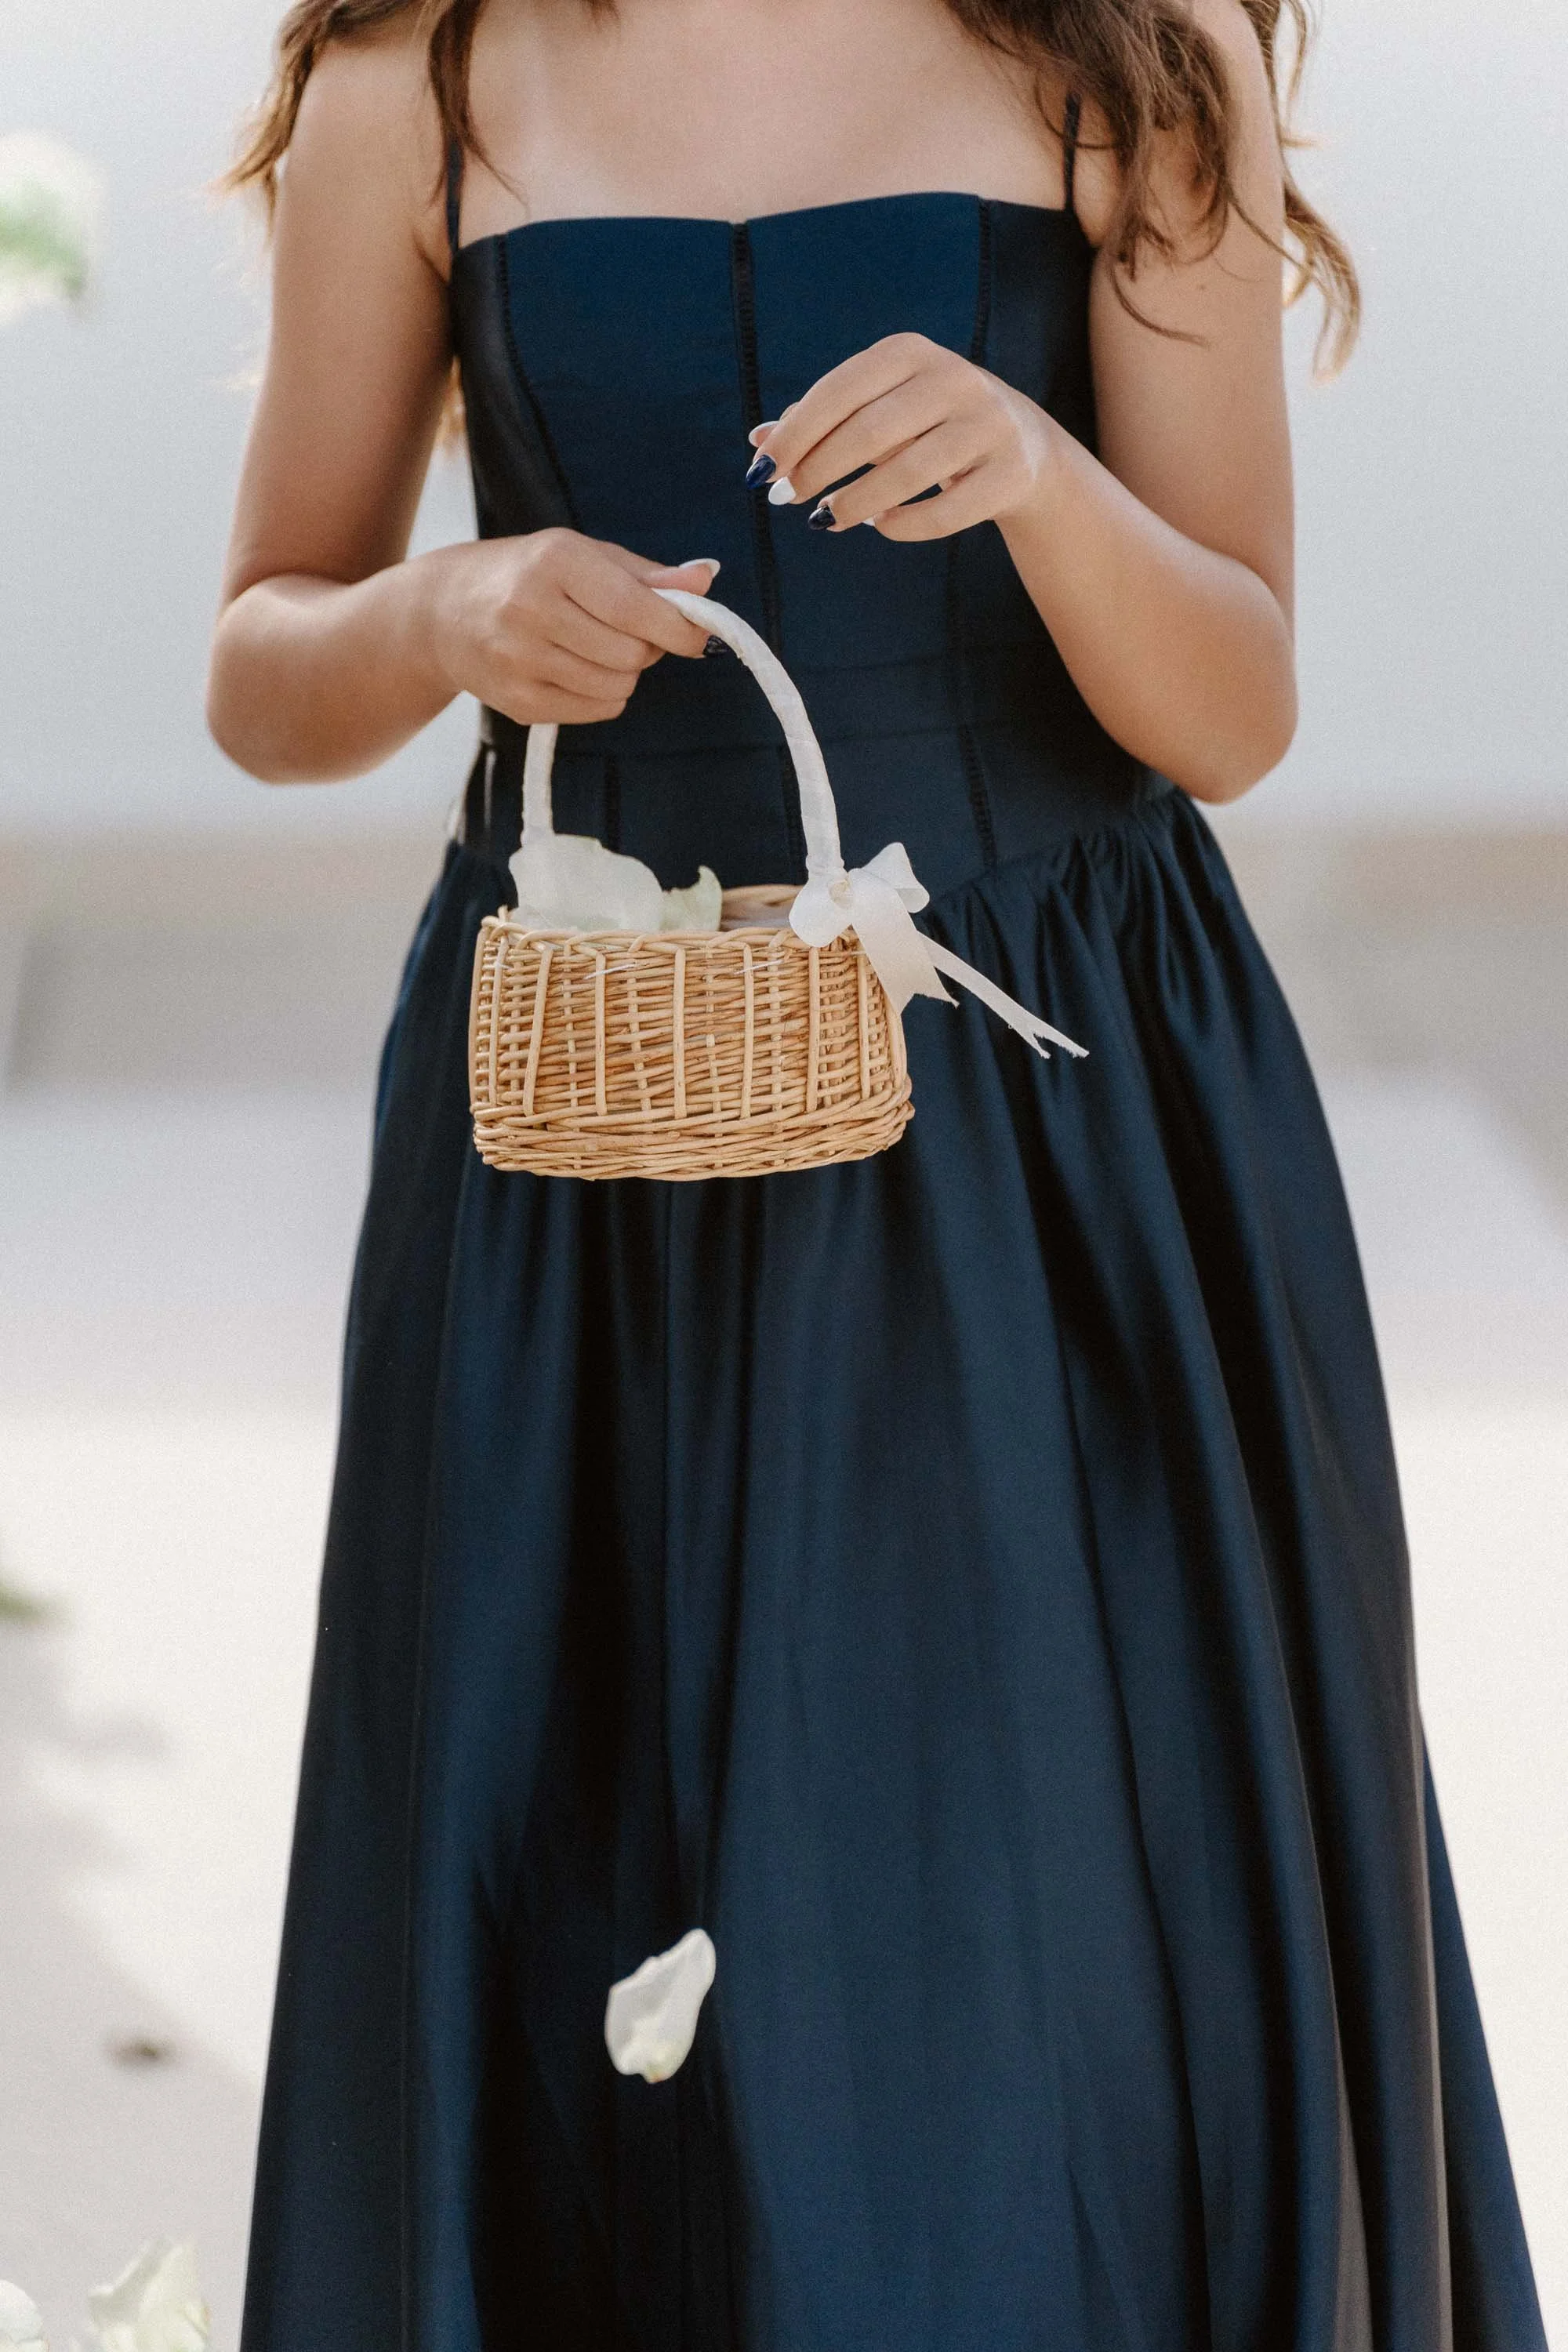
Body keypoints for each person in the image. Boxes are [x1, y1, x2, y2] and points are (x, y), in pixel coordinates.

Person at [209, 2, 1547, 2344]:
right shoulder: (412, 78)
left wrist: (1039, 469)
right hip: (586, 1130)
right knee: (596, 1886)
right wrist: (443, 613)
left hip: (1065, 1113)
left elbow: (1232, 705)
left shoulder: (1139, 58)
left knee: (1056, 1916)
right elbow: (265, 661)